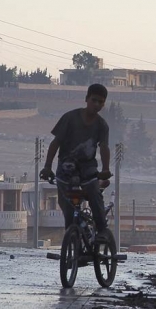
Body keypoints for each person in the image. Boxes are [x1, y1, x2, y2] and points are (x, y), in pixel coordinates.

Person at [40, 83, 111, 240]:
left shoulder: (102, 125)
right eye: (94, 100)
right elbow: (55, 143)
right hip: (66, 168)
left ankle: (102, 230)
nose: (97, 105)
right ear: (86, 99)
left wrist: (105, 169)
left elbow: (104, 147)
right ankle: (71, 233)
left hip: (88, 169)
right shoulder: (70, 118)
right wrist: (47, 167)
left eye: (101, 102)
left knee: (94, 194)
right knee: (66, 203)